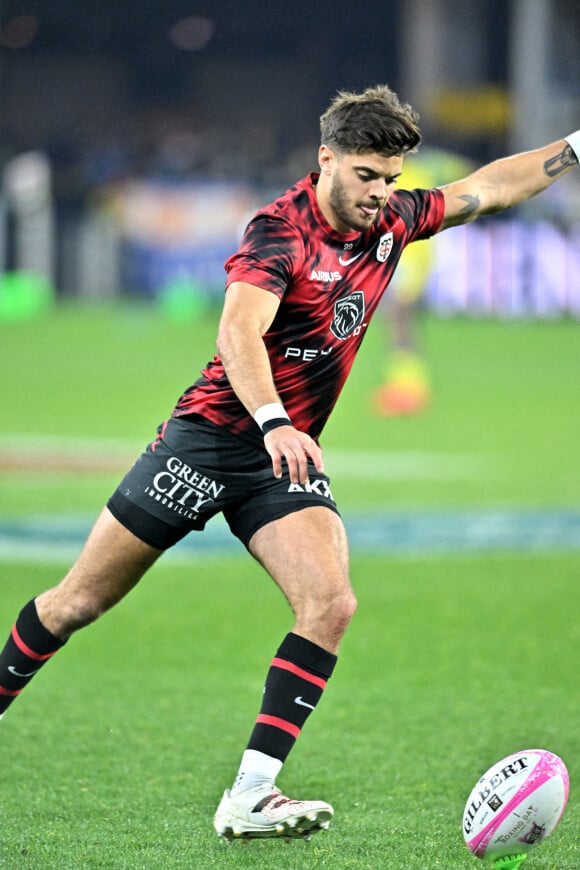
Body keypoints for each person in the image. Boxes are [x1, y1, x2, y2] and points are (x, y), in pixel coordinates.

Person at [0, 85, 578, 844]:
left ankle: (251, 792)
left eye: (391, 178)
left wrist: (573, 147)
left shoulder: (394, 222)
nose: (381, 193)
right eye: (367, 176)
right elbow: (239, 333)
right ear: (326, 158)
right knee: (76, 603)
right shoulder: (278, 232)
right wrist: (273, 420)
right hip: (208, 442)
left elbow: (486, 188)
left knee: (331, 604)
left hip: (283, 459)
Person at [371, 147, 474, 416]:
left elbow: (466, 172)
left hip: (410, 257)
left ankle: (409, 388)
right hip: (408, 256)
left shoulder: (410, 173)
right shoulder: (415, 172)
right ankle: (405, 384)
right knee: (399, 320)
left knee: (399, 318)